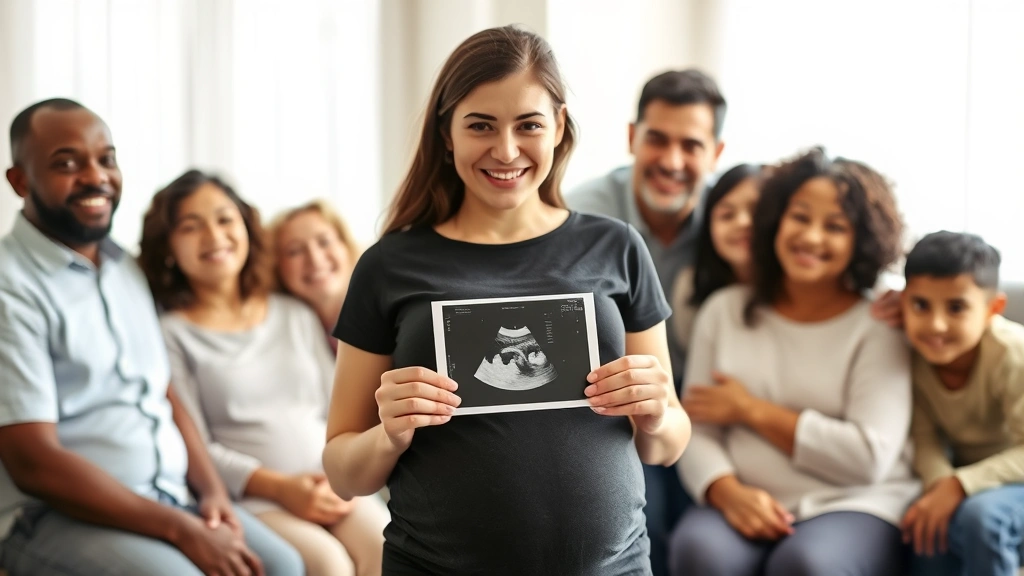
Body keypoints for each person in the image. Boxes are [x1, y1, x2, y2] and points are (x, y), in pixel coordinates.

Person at [321, 25, 690, 576]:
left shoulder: (617, 248)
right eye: (481, 126)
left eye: (529, 125)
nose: (507, 150)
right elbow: (345, 473)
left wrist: (658, 414)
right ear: (447, 133)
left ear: (559, 127)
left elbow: (665, 446)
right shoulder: (389, 265)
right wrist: (388, 434)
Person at [0, 99, 304, 575]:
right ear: (20, 181)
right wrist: (181, 530)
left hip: (168, 497)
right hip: (55, 516)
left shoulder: (125, 269)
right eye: (66, 163)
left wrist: (213, 494)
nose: (95, 176)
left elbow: (161, 392)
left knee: (284, 565)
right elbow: (32, 461)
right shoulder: (9, 285)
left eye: (106, 159)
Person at [670, 147, 918, 576]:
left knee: (807, 564)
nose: (812, 237)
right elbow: (696, 428)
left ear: (861, 240)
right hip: (744, 493)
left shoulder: (880, 320)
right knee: (699, 551)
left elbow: (867, 455)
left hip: (856, 500)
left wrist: (750, 410)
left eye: (835, 226)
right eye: (800, 217)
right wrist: (724, 490)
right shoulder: (725, 310)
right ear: (775, 220)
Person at [138, 170, 389, 576]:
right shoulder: (172, 334)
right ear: (168, 246)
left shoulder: (293, 313)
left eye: (224, 219)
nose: (213, 236)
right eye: (191, 226)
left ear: (246, 229)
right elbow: (195, 447)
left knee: (387, 547)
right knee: (329, 565)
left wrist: (338, 477)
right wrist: (281, 488)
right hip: (256, 497)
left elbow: (338, 408)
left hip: (332, 483)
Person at [565, 69, 725, 575]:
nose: (671, 161)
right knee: (639, 505)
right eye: (656, 139)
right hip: (622, 399)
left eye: (691, 145)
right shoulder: (585, 218)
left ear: (716, 154)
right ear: (633, 138)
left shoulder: (734, 215)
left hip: (713, 399)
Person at [898, 231, 1024, 576]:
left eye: (956, 308)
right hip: (969, 480)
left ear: (992, 309)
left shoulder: (1012, 354)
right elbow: (924, 437)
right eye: (920, 305)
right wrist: (940, 489)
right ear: (902, 302)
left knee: (981, 517)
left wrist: (958, 486)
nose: (936, 325)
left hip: (1011, 481)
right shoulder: (909, 354)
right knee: (926, 527)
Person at [670, 162, 765, 349]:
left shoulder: (796, 291)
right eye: (727, 215)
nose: (743, 222)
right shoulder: (690, 288)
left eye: (757, 211)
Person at [270, 200, 361, 354]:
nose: (315, 259)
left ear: (346, 246)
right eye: (295, 251)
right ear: (276, 266)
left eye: (324, 242)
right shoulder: (280, 332)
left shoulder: (390, 313)